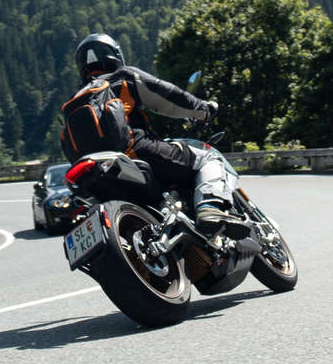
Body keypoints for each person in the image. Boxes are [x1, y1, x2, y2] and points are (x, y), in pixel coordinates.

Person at [68, 33, 241, 231]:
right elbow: (168, 96)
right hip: (136, 154)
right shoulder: (123, 78)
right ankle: (210, 207)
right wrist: (203, 110)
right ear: (113, 55)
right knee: (208, 158)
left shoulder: (72, 103)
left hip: (96, 176)